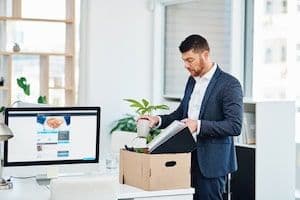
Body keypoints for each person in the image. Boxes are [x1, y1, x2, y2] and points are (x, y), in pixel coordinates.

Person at [141, 34, 243, 200]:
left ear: (205, 55)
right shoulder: (191, 81)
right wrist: (157, 120)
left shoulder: (229, 84)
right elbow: (181, 114)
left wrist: (198, 125)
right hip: (187, 158)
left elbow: (234, 126)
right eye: (184, 60)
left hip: (211, 163)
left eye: (190, 60)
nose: (186, 65)